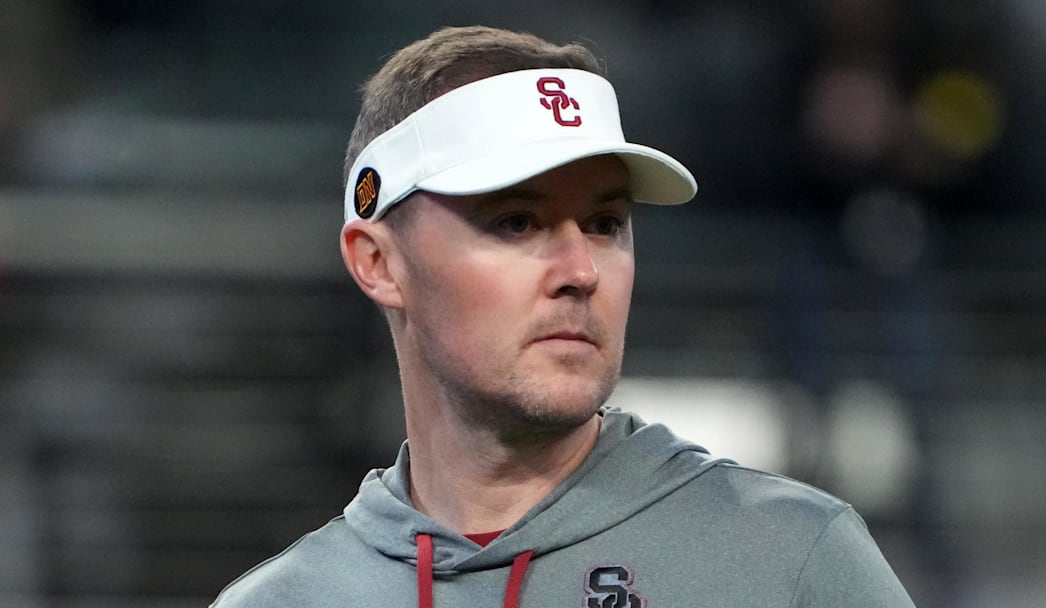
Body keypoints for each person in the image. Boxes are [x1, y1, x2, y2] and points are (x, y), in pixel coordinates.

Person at [211, 25, 916, 608]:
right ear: (378, 263)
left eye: (606, 223)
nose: (581, 272)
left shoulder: (789, 562)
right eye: (516, 222)